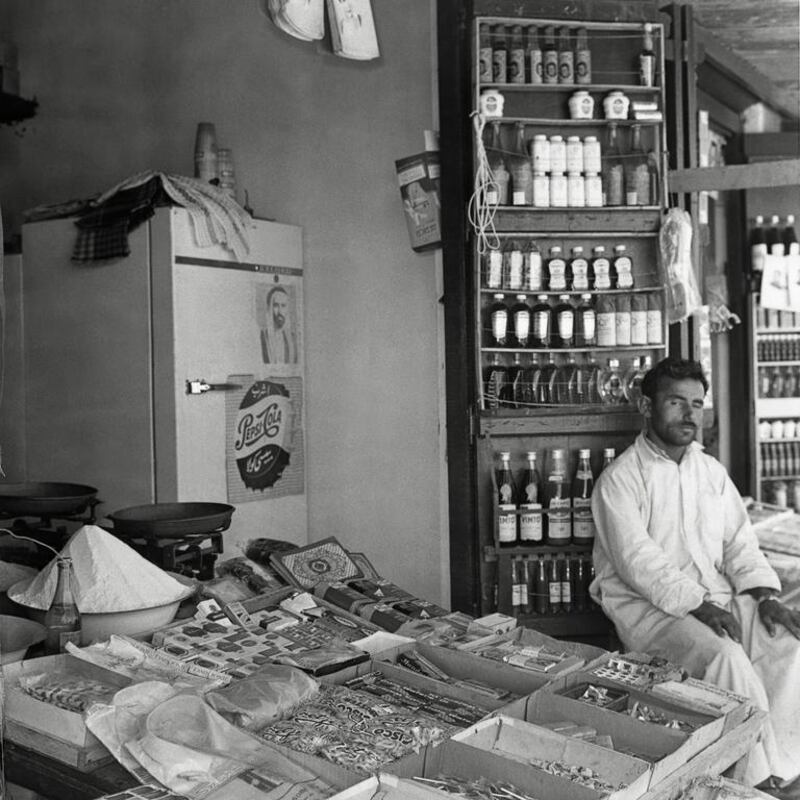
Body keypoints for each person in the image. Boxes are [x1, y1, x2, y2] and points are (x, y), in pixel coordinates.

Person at [591, 356, 800, 797]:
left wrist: (764, 596)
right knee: (726, 658)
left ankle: (783, 764)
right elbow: (638, 563)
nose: (689, 414)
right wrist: (699, 604)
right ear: (647, 407)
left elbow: (739, 544)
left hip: (718, 600)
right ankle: (756, 780)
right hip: (650, 610)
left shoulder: (710, 472)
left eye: (697, 404)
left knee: (785, 642)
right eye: (676, 402)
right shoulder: (621, 479)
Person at [261, 285, 298, 365]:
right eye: (276, 306)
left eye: (283, 306)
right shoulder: (262, 337)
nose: (280, 312)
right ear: (269, 308)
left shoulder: (293, 340)